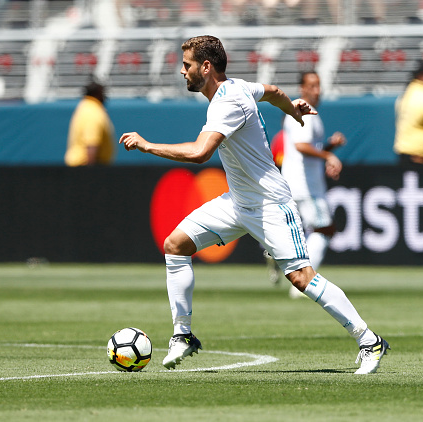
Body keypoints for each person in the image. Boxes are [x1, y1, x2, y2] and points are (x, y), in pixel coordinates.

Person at [119, 35, 389, 374]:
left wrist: (147, 146)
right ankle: (183, 335)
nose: (182, 71)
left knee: (303, 278)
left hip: (270, 204)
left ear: (205, 66)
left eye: (186, 65)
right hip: (238, 201)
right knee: (175, 245)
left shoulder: (226, 102)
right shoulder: (238, 87)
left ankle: (370, 341)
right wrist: (293, 108)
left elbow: (200, 153)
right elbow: (273, 91)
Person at [276, 71, 346, 298]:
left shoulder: (308, 113)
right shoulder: (300, 111)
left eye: (319, 85)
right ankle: (303, 285)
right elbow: (301, 146)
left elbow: (309, 148)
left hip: (300, 182)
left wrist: (329, 148)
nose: (317, 90)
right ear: (302, 88)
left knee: (303, 232)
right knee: (324, 229)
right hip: (305, 185)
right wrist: (328, 157)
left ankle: (275, 255)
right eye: (312, 85)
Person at [64, 80, 115, 167]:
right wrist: (90, 174)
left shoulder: (84, 107)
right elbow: (92, 143)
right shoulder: (93, 112)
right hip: (87, 166)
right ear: (97, 94)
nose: (105, 97)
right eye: (102, 93)